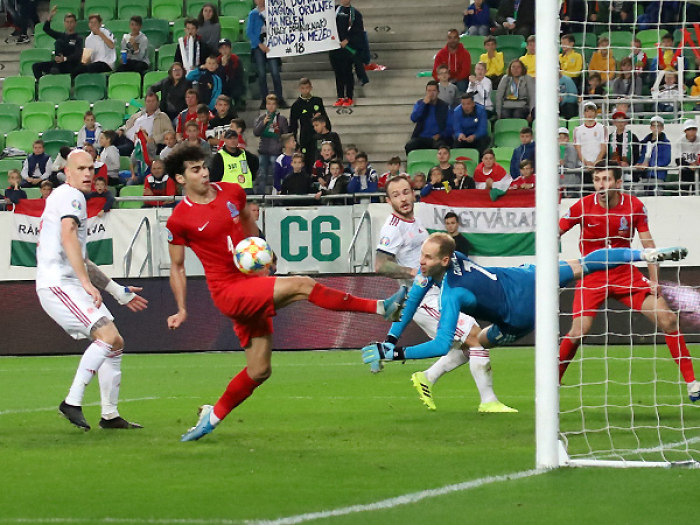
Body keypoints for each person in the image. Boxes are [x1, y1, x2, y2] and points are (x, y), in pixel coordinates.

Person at [164, 145, 408, 441]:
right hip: (228, 291)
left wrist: (265, 251)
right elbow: (176, 267)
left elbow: (247, 222)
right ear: (180, 178)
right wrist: (181, 308)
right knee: (302, 285)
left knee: (259, 370)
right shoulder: (179, 219)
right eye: (195, 170)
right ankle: (381, 308)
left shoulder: (231, 191)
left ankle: (210, 418)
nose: (203, 173)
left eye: (203, 166)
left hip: (251, 281)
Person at [362, 233, 687, 370]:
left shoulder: (453, 295)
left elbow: (438, 343)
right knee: (584, 263)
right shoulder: (452, 255)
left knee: (473, 341)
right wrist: (390, 338)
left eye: (427, 257)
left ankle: (430, 378)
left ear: (444, 261)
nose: (421, 261)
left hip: (519, 315)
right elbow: (417, 292)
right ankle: (642, 255)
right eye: (421, 255)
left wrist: (398, 352)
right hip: (527, 278)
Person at [558, 161, 700, 402]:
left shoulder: (634, 206)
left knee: (668, 318)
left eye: (606, 180)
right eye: (597, 180)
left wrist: (654, 281)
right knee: (578, 330)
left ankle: (692, 384)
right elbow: (555, 230)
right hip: (592, 275)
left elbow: (649, 245)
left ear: (618, 182)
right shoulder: (582, 206)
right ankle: (552, 383)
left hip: (625, 274)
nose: (601, 185)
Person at [375, 176, 513, 411]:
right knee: (476, 338)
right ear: (389, 201)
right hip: (424, 300)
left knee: (465, 345)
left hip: (439, 293)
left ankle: (427, 377)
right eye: (396, 195)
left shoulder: (416, 222)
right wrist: (411, 271)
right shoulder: (393, 228)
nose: (403, 198)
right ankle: (488, 402)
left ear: (413, 193)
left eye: (406, 192)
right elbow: (380, 264)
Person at [36, 150, 148, 431]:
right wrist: (86, 284)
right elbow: (68, 235)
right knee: (107, 336)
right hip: (58, 283)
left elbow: (83, 259)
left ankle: (109, 415)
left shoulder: (69, 198)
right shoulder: (71, 196)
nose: (88, 174)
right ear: (68, 172)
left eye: (92, 168)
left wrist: (115, 290)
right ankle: (72, 402)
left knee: (115, 341)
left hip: (68, 282)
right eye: (82, 169)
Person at [247, 0, 286, 110]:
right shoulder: (253, 14)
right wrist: (259, 44)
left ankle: (279, 98)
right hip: (259, 45)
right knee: (262, 73)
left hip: (272, 44)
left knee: (275, 72)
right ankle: (265, 99)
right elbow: (249, 32)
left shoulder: (273, 11)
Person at [290, 78, 330, 172]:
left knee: (320, 159)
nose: (305, 90)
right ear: (299, 89)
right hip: (305, 137)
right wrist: (296, 143)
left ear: (311, 88)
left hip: (319, 136)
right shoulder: (296, 105)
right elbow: (293, 125)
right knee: (308, 161)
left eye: (307, 88)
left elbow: (325, 118)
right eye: (303, 88)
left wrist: (327, 133)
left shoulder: (317, 101)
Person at [330, 0, 365, 107]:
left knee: (347, 73)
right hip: (334, 47)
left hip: (348, 48)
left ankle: (349, 97)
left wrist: (348, 40)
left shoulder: (355, 13)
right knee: (338, 73)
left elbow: (359, 31)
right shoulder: (334, 10)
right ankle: (340, 96)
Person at [32, 7, 83, 79]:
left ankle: (57, 69)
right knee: (36, 66)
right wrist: (50, 16)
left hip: (70, 64)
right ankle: (42, 83)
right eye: (67, 22)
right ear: (64, 23)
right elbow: (46, 29)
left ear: (75, 23)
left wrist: (65, 59)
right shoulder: (61, 35)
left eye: (71, 22)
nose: (69, 24)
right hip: (58, 63)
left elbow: (78, 54)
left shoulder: (78, 38)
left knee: (59, 42)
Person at [253, 94, 289, 195]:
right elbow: (256, 132)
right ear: (266, 105)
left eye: (273, 104)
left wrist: (281, 147)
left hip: (275, 151)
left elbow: (286, 135)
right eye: (269, 104)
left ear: (277, 105)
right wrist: (263, 123)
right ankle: (261, 195)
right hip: (263, 150)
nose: (271, 106)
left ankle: (276, 194)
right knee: (262, 174)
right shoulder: (261, 118)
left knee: (275, 174)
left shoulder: (282, 119)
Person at [405, 81, 453, 154]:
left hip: (438, 138)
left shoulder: (445, 106)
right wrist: (423, 104)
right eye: (429, 91)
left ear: (438, 92)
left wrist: (441, 135)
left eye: (434, 91)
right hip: (421, 137)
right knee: (409, 146)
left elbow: (451, 126)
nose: (431, 93)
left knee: (441, 147)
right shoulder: (420, 104)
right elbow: (414, 118)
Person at [634, 115, 672, 195]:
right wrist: (639, 163)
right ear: (651, 127)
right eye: (654, 126)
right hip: (644, 176)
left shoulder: (665, 143)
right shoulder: (645, 142)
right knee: (637, 191)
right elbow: (642, 156)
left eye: (658, 126)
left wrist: (649, 165)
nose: (656, 128)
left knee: (657, 193)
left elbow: (666, 159)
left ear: (662, 128)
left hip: (658, 176)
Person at [573, 101, 606, 192]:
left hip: (598, 166)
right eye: (587, 111)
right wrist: (587, 163)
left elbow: (603, 148)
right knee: (586, 193)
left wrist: (596, 163)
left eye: (592, 111)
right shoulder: (578, 130)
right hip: (583, 166)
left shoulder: (602, 128)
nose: (589, 114)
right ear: (584, 113)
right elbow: (578, 150)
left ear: (595, 113)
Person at [452, 92, 490, 157]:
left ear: (473, 103)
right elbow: (456, 128)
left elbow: (483, 128)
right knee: (455, 143)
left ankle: (480, 162)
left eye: (468, 104)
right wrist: (460, 134)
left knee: (485, 140)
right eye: (463, 104)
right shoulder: (456, 111)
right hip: (464, 137)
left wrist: (474, 136)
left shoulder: (481, 110)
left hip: (477, 137)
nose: (466, 107)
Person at [216, 39, 245, 106]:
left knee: (237, 88)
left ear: (230, 48)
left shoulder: (236, 59)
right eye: (222, 48)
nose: (224, 50)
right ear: (219, 50)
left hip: (234, 84)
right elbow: (218, 78)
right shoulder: (217, 61)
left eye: (226, 47)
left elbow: (239, 76)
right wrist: (222, 66)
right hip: (222, 85)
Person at [677, 119, 700, 194]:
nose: (692, 131)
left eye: (694, 129)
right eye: (689, 129)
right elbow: (677, 159)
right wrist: (689, 165)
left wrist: (695, 163)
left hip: (698, 170)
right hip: (685, 171)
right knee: (684, 193)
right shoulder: (679, 142)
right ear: (685, 131)